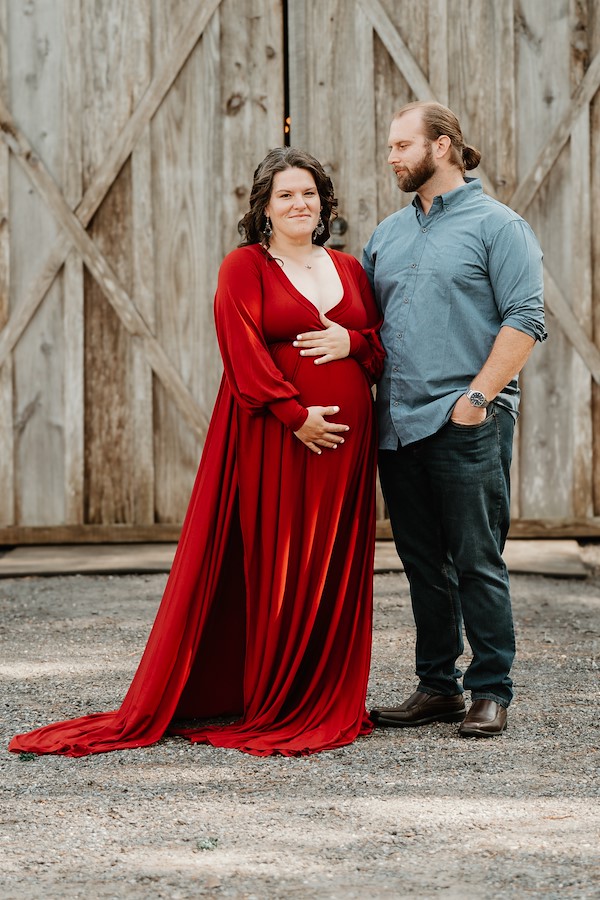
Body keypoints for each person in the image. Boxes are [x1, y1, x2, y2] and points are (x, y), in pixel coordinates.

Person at [9, 148, 384, 758]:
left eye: (309, 194)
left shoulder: (349, 268)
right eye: (286, 195)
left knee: (331, 563)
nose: (299, 204)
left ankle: (325, 693)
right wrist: (296, 416)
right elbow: (241, 353)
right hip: (276, 440)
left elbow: (378, 348)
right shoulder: (244, 267)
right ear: (264, 207)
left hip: (346, 450)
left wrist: (353, 341)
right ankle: (277, 697)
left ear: (325, 203)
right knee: (278, 561)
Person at [364, 101, 546, 738]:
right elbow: (367, 329)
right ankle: (437, 686)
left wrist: (477, 399)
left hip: (466, 420)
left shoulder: (500, 226)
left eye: (401, 145)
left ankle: (491, 688)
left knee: (477, 559)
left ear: (442, 146)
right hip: (397, 425)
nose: (391, 157)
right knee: (421, 563)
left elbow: (526, 319)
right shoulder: (386, 234)